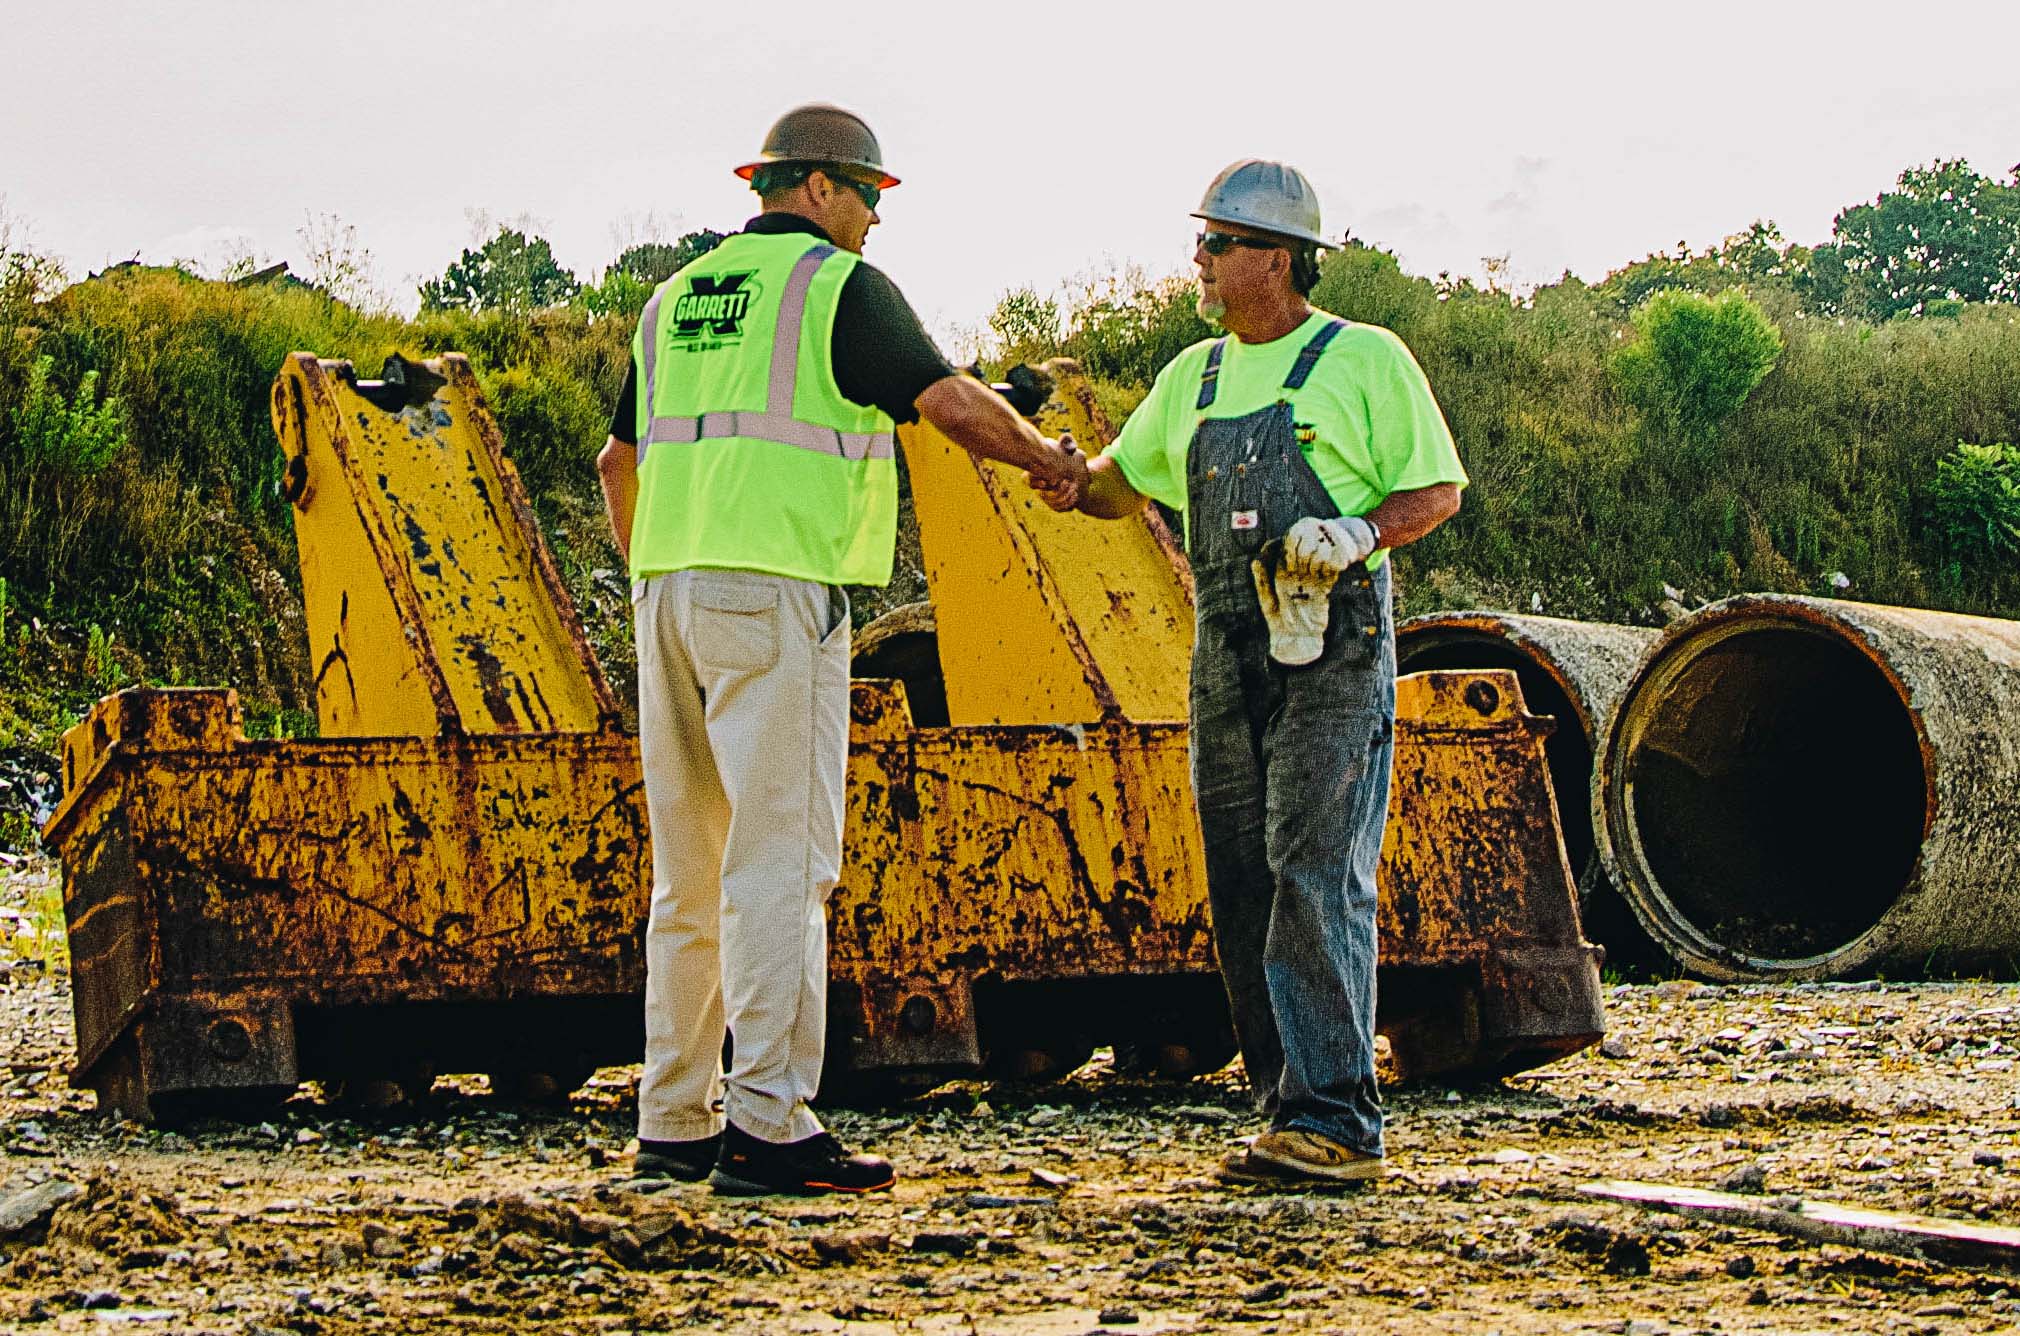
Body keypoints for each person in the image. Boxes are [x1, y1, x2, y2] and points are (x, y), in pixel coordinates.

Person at [598, 104, 1087, 1197]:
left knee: (688, 876)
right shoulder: (833, 287)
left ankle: (673, 1120)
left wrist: (657, 577)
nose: (875, 217)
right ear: (818, 187)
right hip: (773, 594)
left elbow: (613, 462)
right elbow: (948, 402)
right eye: (871, 195)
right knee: (781, 865)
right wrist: (1047, 460)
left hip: (665, 595)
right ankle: (770, 1122)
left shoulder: (672, 301)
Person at [1032, 160, 1466, 1186]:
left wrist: (1358, 529)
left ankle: (1336, 1117)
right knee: (1241, 879)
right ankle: (1286, 1108)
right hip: (1225, 648)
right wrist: (1061, 471)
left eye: (1218, 244)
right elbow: (1115, 484)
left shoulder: (1362, 359)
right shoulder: (1197, 377)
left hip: (1332, 640)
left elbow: (1435, 489)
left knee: (1313, 869)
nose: (1200, 260)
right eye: (1202, 242)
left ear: (1278, 258)